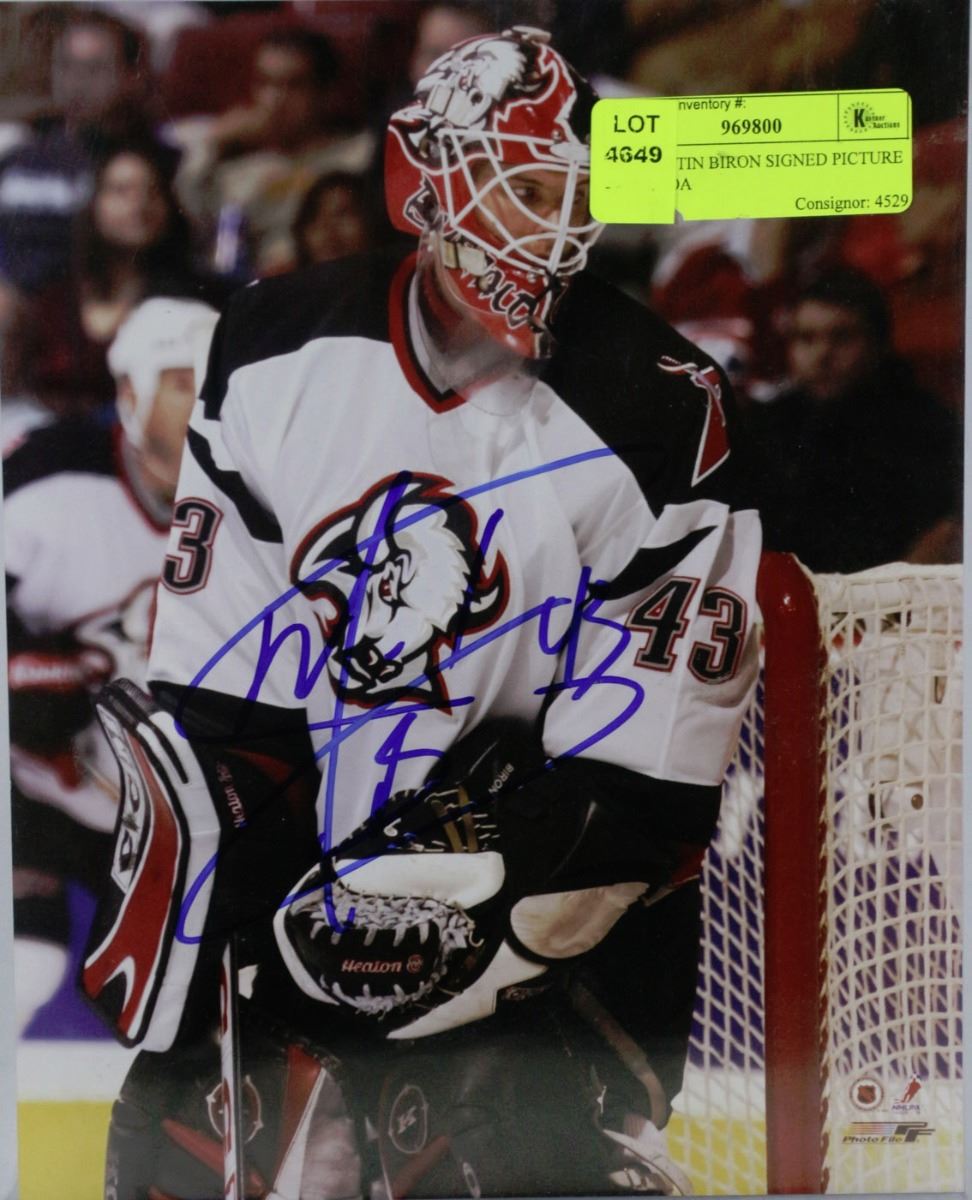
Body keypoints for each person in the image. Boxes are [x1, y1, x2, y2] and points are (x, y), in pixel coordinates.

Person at [92, 27, 761, 1199]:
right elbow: (224, 698)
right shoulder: (274, 348)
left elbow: (643, 788)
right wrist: (244, 908)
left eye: (575, 199)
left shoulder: (662, 407)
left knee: (525, 1158)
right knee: (182, 1151)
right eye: (527, 192)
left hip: (540, 947)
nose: (556, 230)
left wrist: (459, 909)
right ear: (426, 181)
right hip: (304, 919)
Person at [6, 296, 219, 1035]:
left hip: (165, 802)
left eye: (218, 384)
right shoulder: (45, 475)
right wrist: (37, 674)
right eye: (184, 383)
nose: (206, 403)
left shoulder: (262, 499)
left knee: (196, 1003)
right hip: (32, 782)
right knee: (24, 963)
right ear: (130, 393)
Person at [747, 269, 962, 572]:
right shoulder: (766, 425)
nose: (822, 354)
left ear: (878, 344)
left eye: (842, 337)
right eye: (806, 338)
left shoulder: (927, 425)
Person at [22, 140, 228, 417]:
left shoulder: (195, 296)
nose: (139, 204)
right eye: (121, 191)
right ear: (94, 203)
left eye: (152, 191)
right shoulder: (55, 294)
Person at [173, 26, 374, 275]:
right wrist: (214, 142)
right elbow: (190, 214)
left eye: (293, 85)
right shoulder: (239, 172)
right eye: (264, 83)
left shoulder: (361, 155)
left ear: (325, 92)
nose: (274, 100)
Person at [0, 7, 154, 297]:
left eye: (94, 69)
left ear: (131, 76)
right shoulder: (18, 157)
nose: (76, 81)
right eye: (66, 66)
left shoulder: (143, 165)